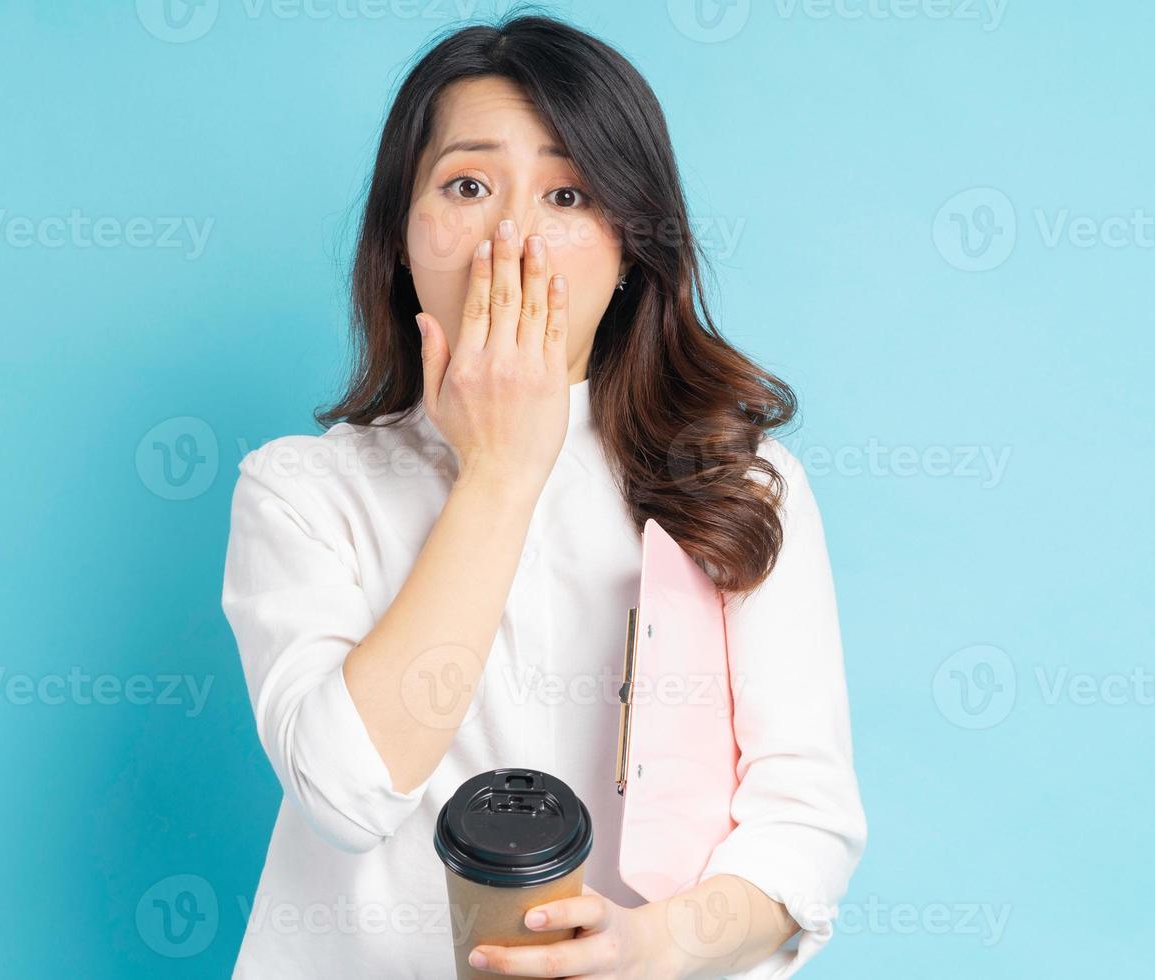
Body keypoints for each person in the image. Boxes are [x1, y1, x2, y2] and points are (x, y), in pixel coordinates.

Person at [221, 13, 866, 978]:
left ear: (629, 245)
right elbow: (348, 794)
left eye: (568, 192)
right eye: (468, 185)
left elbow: (803, 828)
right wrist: (501, 469)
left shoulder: (735, 481)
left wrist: (652, 943)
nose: (513, 234)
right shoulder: (303, 491)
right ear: (401, 237)